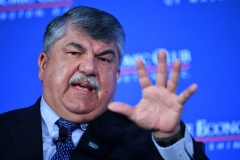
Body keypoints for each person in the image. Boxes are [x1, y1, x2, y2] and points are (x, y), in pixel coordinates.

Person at [0, 6, 209, 160]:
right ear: (44, 65)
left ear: (117, 74)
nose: (89, 68)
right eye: (74, 53)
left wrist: (169, 138)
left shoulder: (149, 141)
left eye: (104, 59)